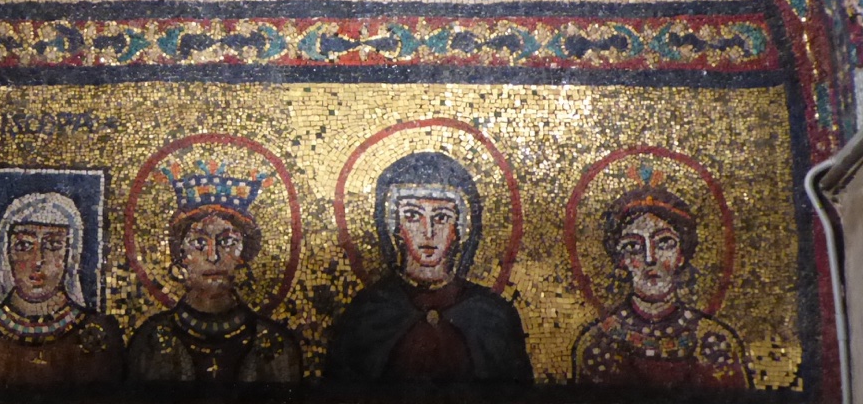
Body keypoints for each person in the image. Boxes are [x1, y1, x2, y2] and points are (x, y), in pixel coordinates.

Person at [326, 152, 534, 384]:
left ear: (461, 228)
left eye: (442, 217)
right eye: (412, 215)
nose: (428, 231)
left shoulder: (493, 315)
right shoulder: (367, 313)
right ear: (395, 226)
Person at [127, 165, 301, 382]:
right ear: (180, 258)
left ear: (243, 256)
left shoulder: (274, 344)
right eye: (199, 243)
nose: (213, 256)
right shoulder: (150, 341)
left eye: (227, 241)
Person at [572, 186, 749, 388]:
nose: (650, 258)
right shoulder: (599, 342)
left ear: (681, 255)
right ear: (621, 260)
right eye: (633, 246)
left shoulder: (713, 340)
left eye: (664, 242)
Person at [0, 192, 124, 384]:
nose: (38, 260)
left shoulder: (98, 338)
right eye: (24, 245)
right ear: (6, 254)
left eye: (53, 245)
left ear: (70, 255)